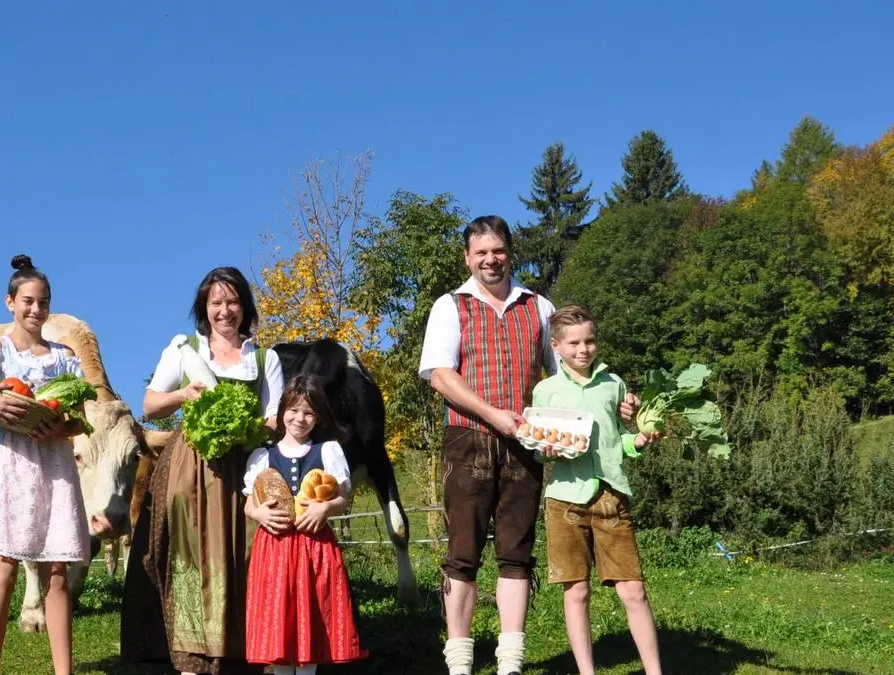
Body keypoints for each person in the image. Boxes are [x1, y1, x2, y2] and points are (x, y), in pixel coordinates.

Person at [418, 216, 638, 675]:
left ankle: (510, 660)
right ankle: (459, 659)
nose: (490, 260)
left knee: (516, 552)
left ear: (509, 252)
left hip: (526, 443)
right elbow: (441, 375)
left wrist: (612, 401)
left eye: (497, 250)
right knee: (463, 552)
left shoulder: (537, 306)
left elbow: (568, 378)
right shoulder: (450, 305)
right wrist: (494, 414)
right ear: (467, 257)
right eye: (480, 252)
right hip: (467, 439)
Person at [121, 266, 284, 675]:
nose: (225, 311)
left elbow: (274, 420)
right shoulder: (184, 351)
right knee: (192, 555)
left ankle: (244, 647)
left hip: (245, 469)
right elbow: (150, 404)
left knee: (243, 553)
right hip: (191, 468)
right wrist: (183, 393)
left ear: (244, 307)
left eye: (232, 302)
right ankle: (193, 656)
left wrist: (244, 429)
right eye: (216, 302)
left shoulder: (265, 359)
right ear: (204, 308)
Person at [0, 254, 90, 675]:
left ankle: (62, 671)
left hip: (53, 465)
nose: (36, 309)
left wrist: (60, 428)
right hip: (9, 463)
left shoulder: (65, 357)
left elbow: (78, 419)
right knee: (5, 567)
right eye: (28, 301)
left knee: (55, 570)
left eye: (43, 302)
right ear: (10, 302)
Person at [532, 305, 662, 675]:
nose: (583, 349)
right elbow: (540, 447)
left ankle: (655, 671)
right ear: (556, 346)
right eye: (573, 343)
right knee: (577, 592)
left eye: (589, 340)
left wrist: (639, 439)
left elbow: (620, 440)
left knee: (633, 590)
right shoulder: (545, 391)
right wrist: (545, 451)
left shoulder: (614, 385)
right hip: (564, 500)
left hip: (611, 495)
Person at [241, 375, 368, 675]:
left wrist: (325, 507)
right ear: (283, 409)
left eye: (309, 412)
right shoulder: (263, 456)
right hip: (274, 549)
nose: (300, 418)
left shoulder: (327, 452)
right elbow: (249, 504)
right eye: (294, 410)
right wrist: (259, 515)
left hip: (315, 548)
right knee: (279, 623)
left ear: (319, 417)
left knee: (312, 617)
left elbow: (342, 499)